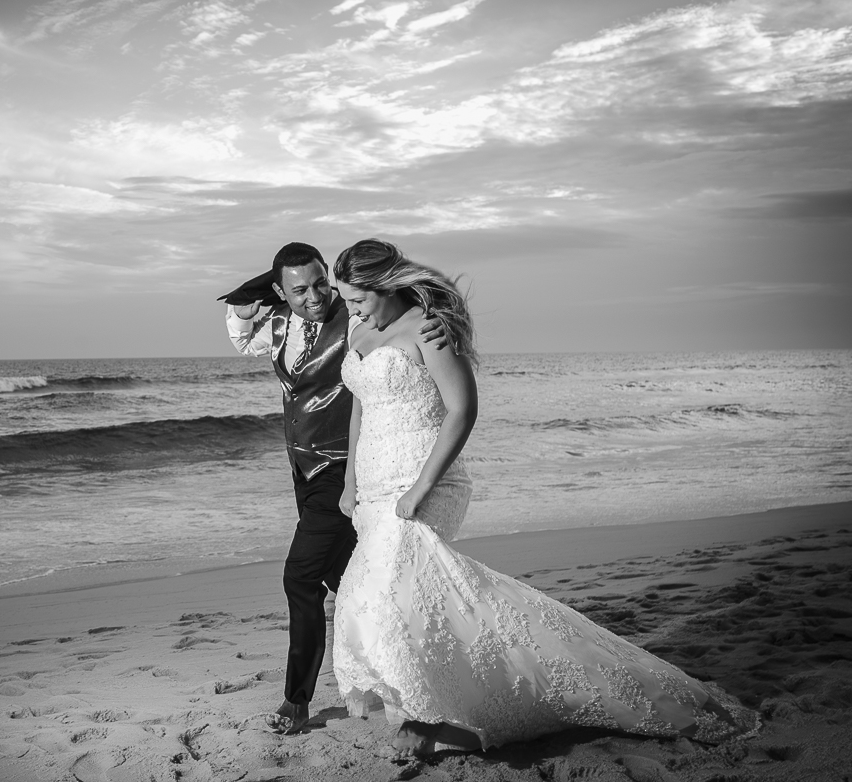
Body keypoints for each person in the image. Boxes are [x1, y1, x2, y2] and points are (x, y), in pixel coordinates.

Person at [329, 239, 757, 757]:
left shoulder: (427, 328)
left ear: (386, 284)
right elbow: (361, 408)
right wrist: (350, 480)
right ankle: (441, 698)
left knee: (385, 596)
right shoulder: (360, 332)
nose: (351, 310)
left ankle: (422, 720)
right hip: (373, 485)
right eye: (346, 300)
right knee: (403, 599)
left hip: (425, 479)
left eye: (357, 299)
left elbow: (462, 411)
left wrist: (421, 486)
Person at [221, 242, 447, 735]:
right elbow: (246, 342)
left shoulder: (356, 315)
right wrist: (241, 314)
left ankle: (296, 699)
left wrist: (430, 320)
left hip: (350, 467)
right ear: (281, 291)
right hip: (303, 469)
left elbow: (397, 321)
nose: (316, 296)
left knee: (300, 577)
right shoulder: (280, 323)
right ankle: (415, 670)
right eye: (300, 290)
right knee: (351, 581)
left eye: (321, 283)